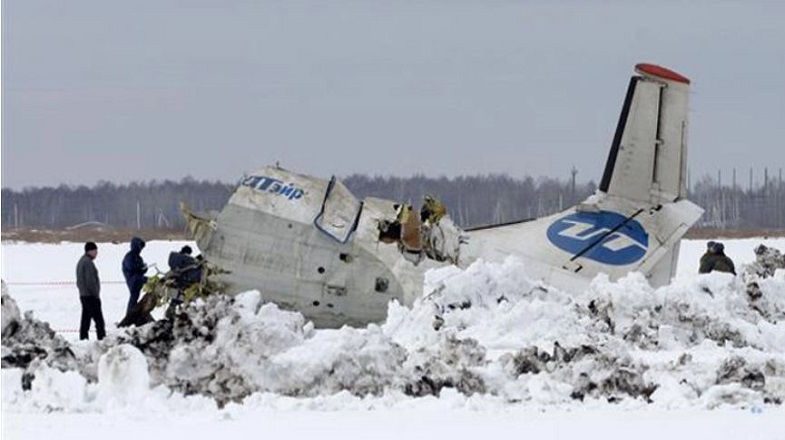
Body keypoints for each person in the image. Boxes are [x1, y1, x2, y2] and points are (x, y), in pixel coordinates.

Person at [76, 241, 106, 340]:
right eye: (95, 251)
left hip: (84, 295)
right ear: (90, 251)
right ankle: (102, 340)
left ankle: (83, 340)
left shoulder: (82, 261)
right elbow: (90, 281)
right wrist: (95, 294)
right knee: (99, 321)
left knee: (86, 320)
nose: (96, 253)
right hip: (90, 296)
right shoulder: (88, 263)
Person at [165, 245, 201, 319]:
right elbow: (193, 266)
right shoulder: (187, 259)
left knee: (176, 298)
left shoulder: (174, 257)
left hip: (175, 280)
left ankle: (172, 310)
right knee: (180, 296)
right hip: (183, 281)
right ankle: (174, 311)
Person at [122, 236, 148, 314]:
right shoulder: (129, 256)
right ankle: (130, 313)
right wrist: (140, 267)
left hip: (138, 278)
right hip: (132, 279)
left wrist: (144, 269)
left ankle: (132, 312)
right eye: (140, 246)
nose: (141, 249)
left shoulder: (139, 257)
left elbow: (140, 270)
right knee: (134, 296)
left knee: (135, 296)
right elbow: (131, 267)